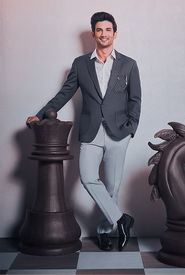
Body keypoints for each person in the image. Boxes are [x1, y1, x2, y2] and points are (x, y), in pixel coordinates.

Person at [26, 11, 141, 251]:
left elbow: (135, 100)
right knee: (89, 177)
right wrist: (41, 113)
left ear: (115, 33)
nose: (104, 34)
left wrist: (131, 128)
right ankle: (122, 220)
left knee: (112, 187)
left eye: (108, 29)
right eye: (99, 30)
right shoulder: (80, 64)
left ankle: (105, 232)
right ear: (93, 34)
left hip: (119, 133)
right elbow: (64, 93)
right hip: (90, 131)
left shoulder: (129, 64)